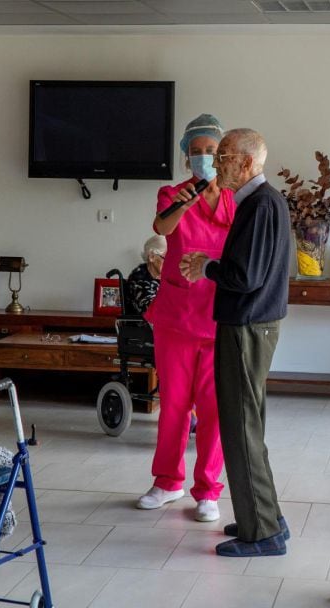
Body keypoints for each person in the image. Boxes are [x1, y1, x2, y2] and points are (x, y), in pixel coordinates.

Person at [180, 127, 291, 556]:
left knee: (241, 429)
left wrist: (207, 265)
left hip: (246, 326)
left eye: (223, 155)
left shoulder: (261, 205)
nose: (216, 163)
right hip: (251, 324)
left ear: (246, 164)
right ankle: (265, 518)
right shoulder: (259, 203)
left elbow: (246, 277)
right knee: (248, 427)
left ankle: (262, 533)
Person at [137, 114, 237, 523]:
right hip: (176, 315)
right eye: (195, 153)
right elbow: (163, 226)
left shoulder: (235, 198)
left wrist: (212, 195)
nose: (203, 158)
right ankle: (167, 481)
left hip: (219, 316)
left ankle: (208, 491)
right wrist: (188, 200)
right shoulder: (172, 193)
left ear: (224, 155)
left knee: (213, 408)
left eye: (210, 152)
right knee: (175, 403)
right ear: (185, 158)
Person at [125, 234, 166, 317]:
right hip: (143, 328)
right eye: (166, 257)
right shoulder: (139, 279)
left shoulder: (163, 278)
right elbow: (152, 310)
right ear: (152, 257)